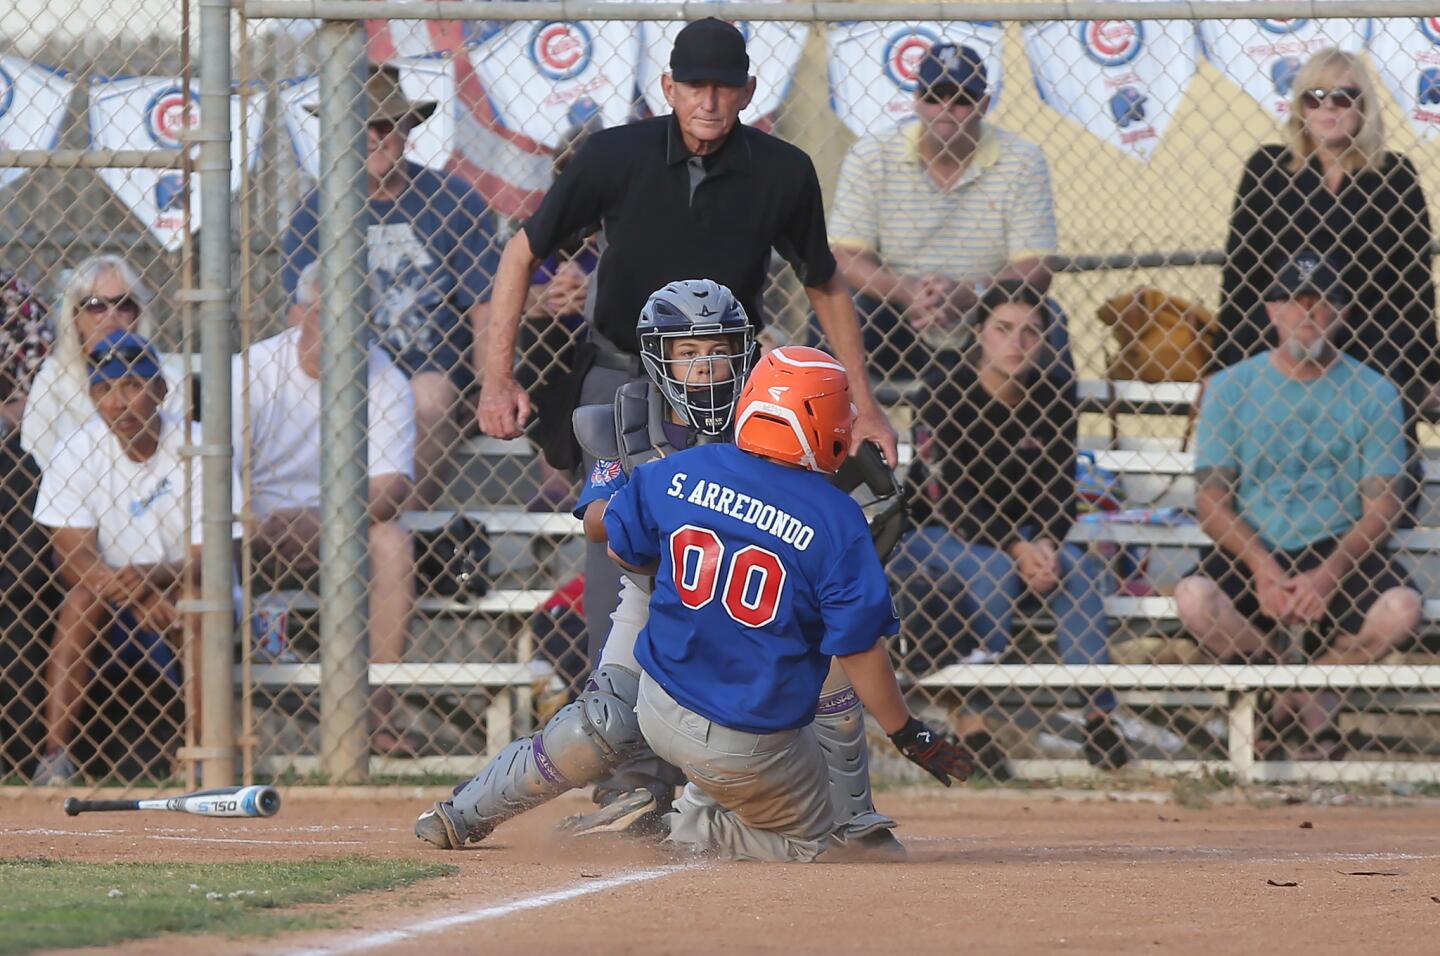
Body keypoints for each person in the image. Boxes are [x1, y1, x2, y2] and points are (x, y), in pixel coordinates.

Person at [415, 283, 907, 861]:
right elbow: (599, 523)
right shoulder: (621, 420)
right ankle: (464, 812)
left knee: (834, 665)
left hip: (759, 600)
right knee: (600, 726)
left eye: (719, 351)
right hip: (661, 592)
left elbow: (821, 506)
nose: (706, 366)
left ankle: (853, 820)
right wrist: (677, 495)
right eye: (689, 353)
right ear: (658, 357)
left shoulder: (769, 408)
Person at [475, 17, 900, 673]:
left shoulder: (782, 172)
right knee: (620, 550)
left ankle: (719, 741)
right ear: (668, 87)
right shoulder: (614, 155)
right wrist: (496, 380)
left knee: (728, 548)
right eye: (695, 85)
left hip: (728, 393)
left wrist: (865, 407)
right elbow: (521, 252)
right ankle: (621, 738)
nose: (709, 101)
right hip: (621, 380)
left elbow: (827, 285)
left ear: (749, 91)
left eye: (725, 87)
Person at [605, 346, 970, 861]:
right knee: (833, 845)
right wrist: (908, 733)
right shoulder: (836, 517)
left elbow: (621, 545)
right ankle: (692, 830)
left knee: (746, 674)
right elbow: (860, 649)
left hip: (658, 705)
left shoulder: (681, 468)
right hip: (741, 741)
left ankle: (702, 799)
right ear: (828, 426)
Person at [1176, 250, 1423, 759]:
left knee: (1402, 610)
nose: (1307, 315)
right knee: (1195, 600)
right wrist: (1262, 566)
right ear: (1271, 311)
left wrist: (1330, 573)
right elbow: (1212, 500)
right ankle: (1282, 684)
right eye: (1293, 302)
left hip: (1337, 546)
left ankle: (1304, 692)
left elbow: (1382, 504)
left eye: (1321, 303)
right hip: (1256, 543)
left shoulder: (1375, 391)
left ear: (1342, 312)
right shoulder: (1229, 388)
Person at [894, 280, 1127, 774]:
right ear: (979, 332)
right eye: (1004, 330)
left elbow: (1060, 490)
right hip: (933, 536)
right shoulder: (944, 389)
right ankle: (972, 727)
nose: (1017, 345)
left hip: (1019, 540)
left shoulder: (1054, 395)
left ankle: (1100, 718)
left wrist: (1043, 543)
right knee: (995, 569)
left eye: (1031, 333)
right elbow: (947, 498)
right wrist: (1018, 548)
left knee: (1079, 569)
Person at [1215, 47, 1438, 508]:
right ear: (1299, 106)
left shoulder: (1394, 177)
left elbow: (1415, 287)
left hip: (1369, 361)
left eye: (1343, 97)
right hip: (1283, 357)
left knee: (1376, 497)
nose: (1328, 108)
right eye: (1315, 97)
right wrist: (1221, 373)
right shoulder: (1268, 172)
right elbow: (1240, 280)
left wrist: (1428, 371)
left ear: (1363, 106)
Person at [282, 63, 501, 506]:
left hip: (428, 366)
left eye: (384, 124)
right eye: (359, 124)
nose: (373, 137)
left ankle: (386, 525)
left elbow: (485, 308)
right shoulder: (316, 210)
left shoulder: (452, 199)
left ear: (406, 127)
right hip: (346, 369)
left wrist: (486, 385)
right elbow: (300, 317)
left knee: (430, 396)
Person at [31, 332, 241, 784]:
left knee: (200, 604)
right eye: (104, 389)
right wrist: (137, 596)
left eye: (132, 385)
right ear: (91, 396)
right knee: (79, 603)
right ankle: (55, 756)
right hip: (112, 593)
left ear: (161, 391)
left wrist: (150, 578)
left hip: (185, 584)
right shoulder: (75, 449)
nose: (118, 403)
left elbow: (217, 557)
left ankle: (204, 753)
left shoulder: (201, 445)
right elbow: (74, 559)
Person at [236, 260, 420, 754]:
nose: (343, 329)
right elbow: (218, 476)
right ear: (302, 314)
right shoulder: (251, 370)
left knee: (393, 544)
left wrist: (330, 524)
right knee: (215, 528)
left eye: (358, 317)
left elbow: (389, 488)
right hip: (254, 523)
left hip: (343, 527)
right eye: (330, 314)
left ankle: (375, 719)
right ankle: (218, 730)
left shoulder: (386, 379)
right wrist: (261, 523)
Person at [828, 42, 1065, 378]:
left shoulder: (1022, 159)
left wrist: (972, 294)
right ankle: (829, 424)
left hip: (986, 312)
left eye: (962, 99)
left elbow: (1036, 266)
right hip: (895, 311)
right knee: (836, 308)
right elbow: (846, 254)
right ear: (916, 99)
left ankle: (1046, 432)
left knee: (1045, 320)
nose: (945, 108)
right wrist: (907, 291)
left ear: (983, 105)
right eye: (933, 96)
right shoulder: (872, 154)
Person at [21, 255, 185, 474]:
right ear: (75, 317)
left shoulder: (168, 378)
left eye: (123, 304)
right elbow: (35, 463)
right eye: (96, 305)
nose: (112, 315)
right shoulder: (52, 381)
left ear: (137, 314)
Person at [0, 269, 56, 778]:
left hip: (9, 464)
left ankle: (18, 753)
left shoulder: (15, 299)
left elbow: (25, 406)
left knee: (18, 591)